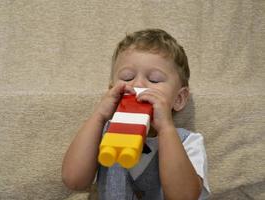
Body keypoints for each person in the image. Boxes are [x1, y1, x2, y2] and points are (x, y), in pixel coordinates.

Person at [62, 28, 210, 199]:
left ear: (178, 99)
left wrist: (166, 129)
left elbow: (184, 197)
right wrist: (99, 116)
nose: (138, 84)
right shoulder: (103, 134)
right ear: (112, 91)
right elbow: (74, 181)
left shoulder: (188, 142)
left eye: (154, 79)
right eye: (126, 77)